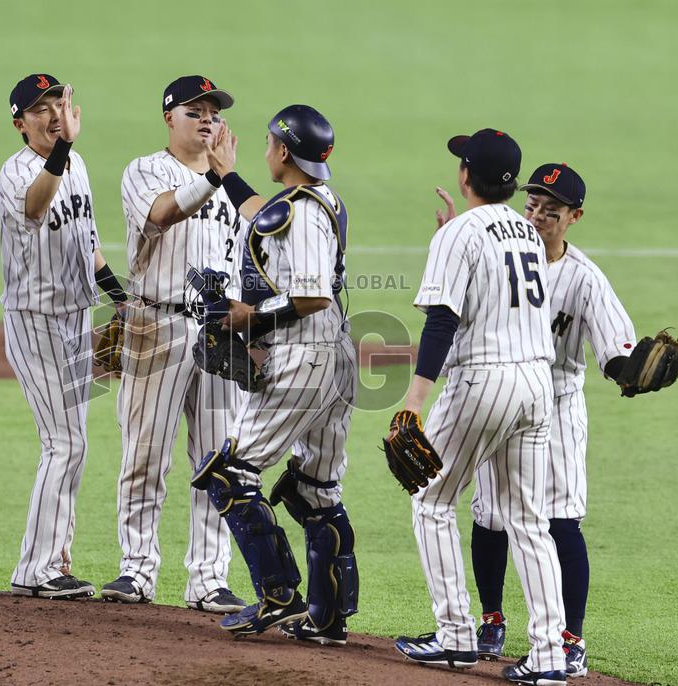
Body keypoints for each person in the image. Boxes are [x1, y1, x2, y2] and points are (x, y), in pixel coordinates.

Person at [392, 129, 568, 685]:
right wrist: (455, 240)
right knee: (530, 523)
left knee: (431, 499)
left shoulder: (462, 233)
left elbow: (442, 320)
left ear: (466, 175)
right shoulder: (527, 229)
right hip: (538, 386)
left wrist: (414, 402)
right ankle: (548, 656)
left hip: (485, 382)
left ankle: (457, 635)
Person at [191, 104, 359, 646]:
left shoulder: (303, 212)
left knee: (231, 472)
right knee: (316, 488)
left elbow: (311, 295)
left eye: (268, 143)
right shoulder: (318, 200)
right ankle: (328, 618)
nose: (264, 151)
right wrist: (225, 176)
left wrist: (251, 317)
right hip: (332, 355)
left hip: (304, 354)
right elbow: (267, 215)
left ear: (283, 152)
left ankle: (277, 593)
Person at [468, 163, 637, 678]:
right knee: (490, 515)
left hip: (558, 408)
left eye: (552, 210)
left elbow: (617, 350)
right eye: (533, 205)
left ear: (574, 217)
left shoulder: (583, 278)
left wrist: (631, 370)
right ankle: (492, 620)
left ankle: (570, 638)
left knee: (560, 518)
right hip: (498, 397)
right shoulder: (499, 253)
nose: (538, 215)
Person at [103, 75, 246, 613]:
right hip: (155, 325)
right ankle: (136, 570)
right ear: (169, 118)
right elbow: (162, 213)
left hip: (216, 331)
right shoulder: (146, 170)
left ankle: (209, 579)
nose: (207, 119)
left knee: (217, 460)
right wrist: (215, 174)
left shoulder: (230, 182)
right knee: (145, 454)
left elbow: (241, 259)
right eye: (195, 111)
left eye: (213, 111)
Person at [0, 73, 128, 599]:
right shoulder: (16, 171)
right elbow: (34, 206)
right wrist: (65, 146)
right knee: (64, 442)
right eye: (40, 108)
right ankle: (37, 569)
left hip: (76, 317)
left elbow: (89, 243)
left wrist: (120, 297)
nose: (53, 114)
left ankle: (54, 558)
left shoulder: (78, 165)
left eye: (59, 103)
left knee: (72, 443)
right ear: (19, 123)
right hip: (34, 318)